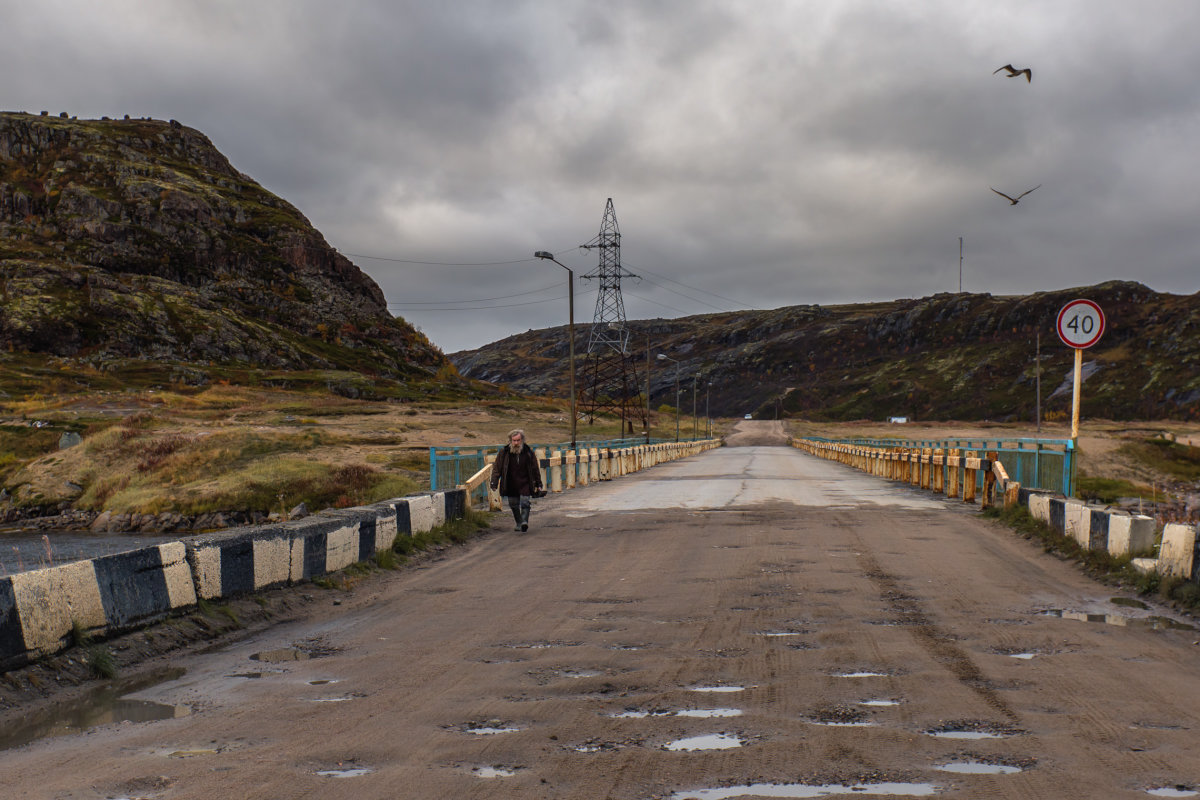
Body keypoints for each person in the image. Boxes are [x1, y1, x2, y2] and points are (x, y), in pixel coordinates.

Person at [489, 429, 543, 532]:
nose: (516, 443)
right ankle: (519, 522)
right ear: (510, 441)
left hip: (525, 482)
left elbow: (535, 468)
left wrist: (539, 483)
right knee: (513, 503)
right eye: (514, 441)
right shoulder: (504, 453)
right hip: (510, 482)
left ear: (522, 440)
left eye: (518, 440)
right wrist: (494, 482)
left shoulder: (528, 452)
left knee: (525, 502)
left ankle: (524, 522)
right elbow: (497, 468)